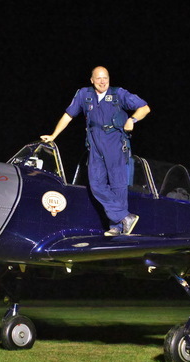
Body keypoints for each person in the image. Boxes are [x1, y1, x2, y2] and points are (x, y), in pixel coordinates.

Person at [41, 66, 151, 236]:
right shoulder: (84, 95)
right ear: (91, 80)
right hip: (94, 142)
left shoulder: (118, 94)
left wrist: (132, 119)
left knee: (118, 185)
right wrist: (53, 135)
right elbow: (68, 115)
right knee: (96, 184)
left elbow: (145, 107)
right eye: (98, 78)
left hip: (115, 141)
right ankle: (124, 217)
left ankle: (116, 226)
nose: (102, 82)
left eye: (105, 78)